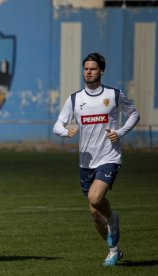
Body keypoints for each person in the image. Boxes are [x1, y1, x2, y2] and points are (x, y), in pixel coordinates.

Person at [53, 52, 140, 266]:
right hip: (85, 162)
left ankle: (113, 220)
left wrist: (119, 132)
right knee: (94, 211)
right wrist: (66, 132)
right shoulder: (75, 99)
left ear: (101, 71)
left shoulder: (114, 95)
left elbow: (134, 114)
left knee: (94, 198)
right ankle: (113, 250)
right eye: (86, 68)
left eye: (92, 68)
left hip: (109, 157)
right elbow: (57, 125)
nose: (88, 72)